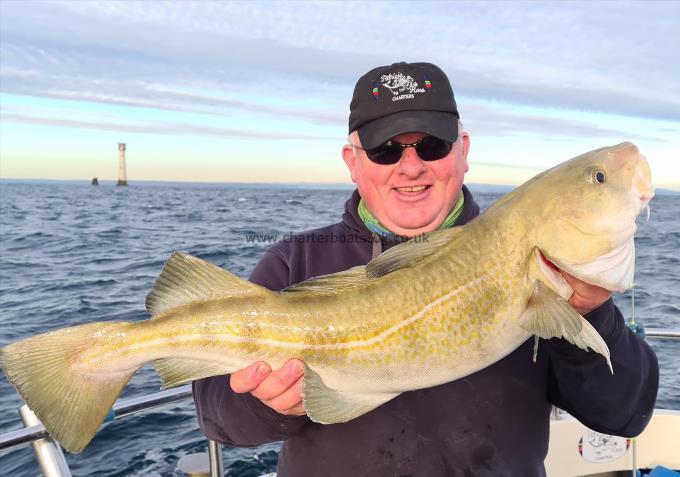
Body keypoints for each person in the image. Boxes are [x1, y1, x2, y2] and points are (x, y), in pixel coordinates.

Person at [193, 62, 658, 476]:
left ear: (463, 151)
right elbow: (216, 416)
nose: (411, 166)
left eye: (432, 145)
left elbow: (623, 416)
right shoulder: (295, 262)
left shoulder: (543, 273)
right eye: (385, 150)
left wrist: (591, 311)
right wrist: (270, 406)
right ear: (353, 163)